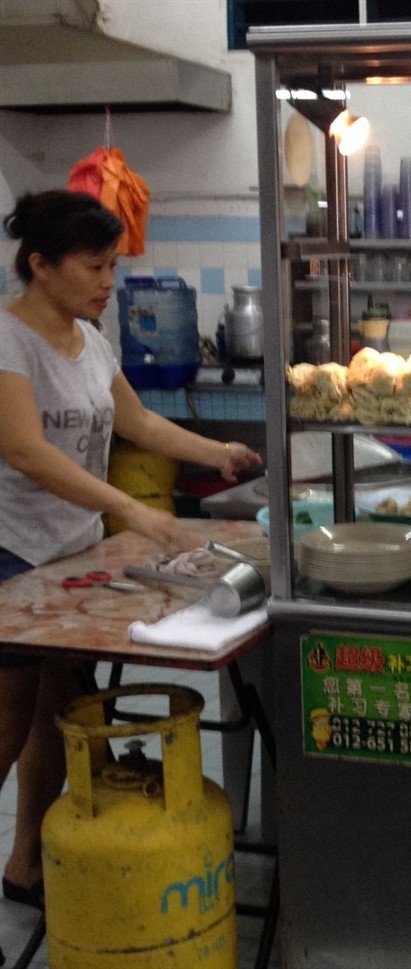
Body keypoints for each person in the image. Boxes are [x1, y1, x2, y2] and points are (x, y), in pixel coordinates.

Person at [0, 190, 262, 913]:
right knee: (8, 724)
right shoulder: (7, 339)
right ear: (40, 265)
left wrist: (223, 451)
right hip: (13, 551)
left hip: (70, 552)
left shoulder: (91, 339)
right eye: (94, 265)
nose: (107, 280)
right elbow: (22, 449)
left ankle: (25, 866)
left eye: (111, 264)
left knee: (68, 713)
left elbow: (138, 419)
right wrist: (126, 508)